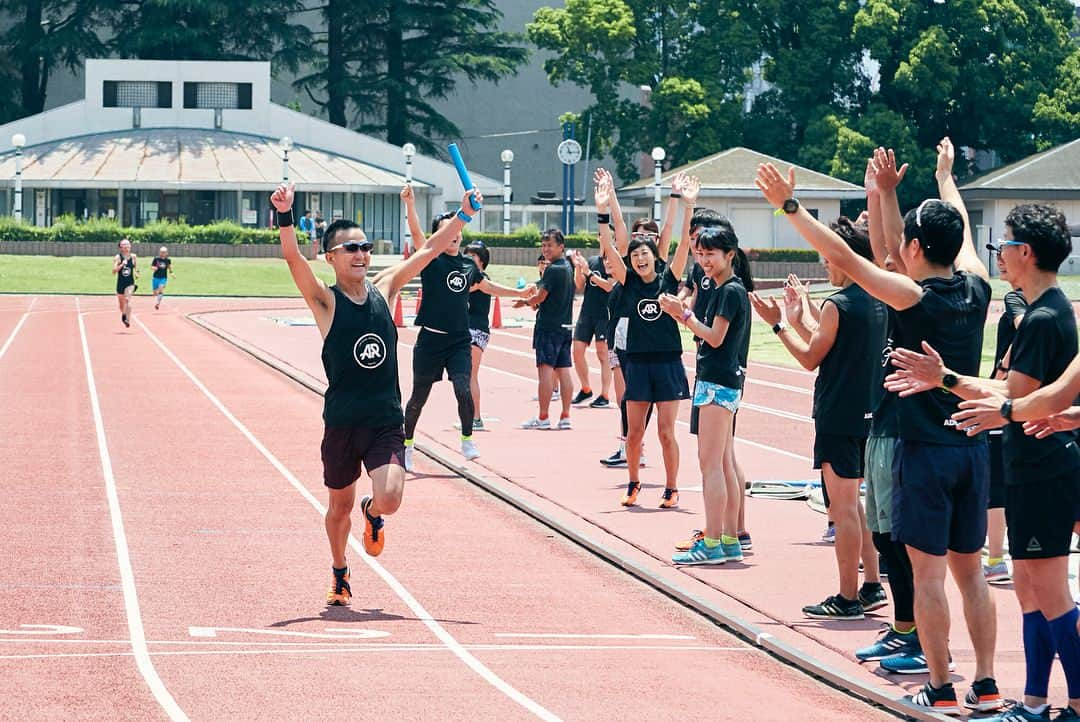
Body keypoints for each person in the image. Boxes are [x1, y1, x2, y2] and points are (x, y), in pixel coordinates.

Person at [755, 137, 1001, 714]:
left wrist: (791, 209)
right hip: (972, 445)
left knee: (929, 576)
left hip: (923, 449)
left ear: (915, 247)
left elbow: (850, 254)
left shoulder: (913, 298)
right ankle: (986, 683)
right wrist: (940, 177)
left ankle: (940, 687)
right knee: (972, 575)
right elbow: (949, 227)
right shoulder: (977, 285)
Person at [886, 203, 1078, 722]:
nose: (996, 254)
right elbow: (1034, 399)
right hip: (1022, 462)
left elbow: (1027, 400)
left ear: (1025, 252)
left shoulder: (1043, 317)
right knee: (1028, 587)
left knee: (1050, 590)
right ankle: (1032, 698)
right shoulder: (1030, 308)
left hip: (1044, 468)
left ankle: (1073, 702)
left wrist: (946, 380)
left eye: (1005, 244)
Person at [272, 180, 481, 606]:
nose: (361, 254)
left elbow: (429, 250)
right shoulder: (325, 302)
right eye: (351, 248)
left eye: (365, 247)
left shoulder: (385, 288)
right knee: (337, 508)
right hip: (343, 421)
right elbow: (292, 258)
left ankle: (374, 514)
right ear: (331, 257)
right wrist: (285, 215)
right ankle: (339, 570)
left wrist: (464, 215)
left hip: (385, 419)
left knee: (390, 497)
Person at [750, 217, 888, 619]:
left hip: (838, 416)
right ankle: (872, 584)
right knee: (857, 506)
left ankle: (847, 598)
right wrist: (798, 318)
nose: (824, 264)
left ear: (845, 257)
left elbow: (811, 357)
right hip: (869, 414)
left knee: (842, 510)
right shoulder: (878, 298)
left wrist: (777, 324)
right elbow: (830, 341)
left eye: (828, 257)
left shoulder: (838, 303)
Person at [850, 152, 921, 670]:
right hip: (884, 423)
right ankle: (905, 631)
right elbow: (881, 250)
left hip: (905, 432)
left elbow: (878, 252)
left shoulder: (923, 298)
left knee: (899, 540)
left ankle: (915, 637)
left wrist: (790, 209)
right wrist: (878, 194)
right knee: (883, 535)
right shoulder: (900, 292)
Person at [399, 184, 522, 465]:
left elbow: (486, 285)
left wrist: (519, 294)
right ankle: (407, 444)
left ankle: (467, 439)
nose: (453, 236)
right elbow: (418, 236)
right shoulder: (430, 258)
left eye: (457, 231)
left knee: (463, 389)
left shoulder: (468, 266)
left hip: (458, 341)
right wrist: (410, 205)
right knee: (418, 397)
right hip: (430, 340)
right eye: (447, 231)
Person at [597, 168, 696, 508]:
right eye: (635, 254)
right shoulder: (627, 283)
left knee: (666, 432)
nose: (640, 258)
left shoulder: (668, 279)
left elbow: (683, 241)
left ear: (655, 256)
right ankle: (634, 482)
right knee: (634, 432)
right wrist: (603, 211)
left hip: (667, 362)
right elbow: (611, 245)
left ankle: (671, 487)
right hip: (637, 363)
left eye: (645, 254)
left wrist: (687, 205)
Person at [662, 223, 750, 563]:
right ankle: (728, 537)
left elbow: (714, 337)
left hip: (718, 380)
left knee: (710, 465)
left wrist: (681, 314)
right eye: (700, 254)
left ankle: (712, 542)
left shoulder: (729, 291)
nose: (704, 260)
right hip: (720, 379)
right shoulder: (724, 288)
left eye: (710, 254)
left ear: (729, 255)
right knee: (724, 462)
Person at [985, 251, 1027, 585]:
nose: (999, 260)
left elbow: (1025, 329)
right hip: (1028, 401)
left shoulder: (1018, 297)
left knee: (997, 485)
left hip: (1010, 398)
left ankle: (998, 559)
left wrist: (1002, 370)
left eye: (1005, 254)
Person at [461, 240, 527, 429]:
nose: (467, 258)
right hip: (472, 329)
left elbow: (490, 288)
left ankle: (475, 418)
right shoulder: (472, 277)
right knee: (466, 375)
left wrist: (520, 293)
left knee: (470, 375)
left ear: (481, 260)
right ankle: (471, 417)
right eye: (466, 254)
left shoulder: (478, 278)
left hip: (476, 330)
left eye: (472, 256)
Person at [515, 229, 576, 429]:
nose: (546, 249)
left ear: (561, 246)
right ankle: (565, 416)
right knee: (564, 370)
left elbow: (540, 297)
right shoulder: (568, 267)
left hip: (549, 327)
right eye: (543, 245)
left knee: (546, 372)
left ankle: (543, 417)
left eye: (550, 245)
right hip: (565, 325)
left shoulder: (554, 269)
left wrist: (525, 302)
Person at [569, 248, 614, 408]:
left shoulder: (616, 261)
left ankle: (605, 394)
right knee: (577, 350)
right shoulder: (593, 261)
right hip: (587, 312)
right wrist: (578, 267)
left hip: (605, 314)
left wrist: (589, 273)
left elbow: (610, 286)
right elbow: (579, 285)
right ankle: (586, 388)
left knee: (603, 353)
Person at [113, 238, 138, 328]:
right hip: (120, 283)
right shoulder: (118, 257)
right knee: (122, 306)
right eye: (125, 245)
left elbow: (136, 268)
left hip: (130, 283)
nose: (127, 246)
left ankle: (125, 318)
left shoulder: (134, 256)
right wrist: (122, 264)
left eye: (128, 244)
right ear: (121, 247)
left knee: (127, 299)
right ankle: (124, 313)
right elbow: (114, 271)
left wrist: (137, 273)